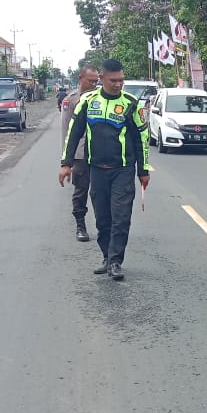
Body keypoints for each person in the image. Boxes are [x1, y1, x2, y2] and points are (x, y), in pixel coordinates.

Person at [61, 58, 150, 281]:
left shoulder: (131, 103)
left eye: (121, 80)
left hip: (123, 170)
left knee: (121, 217)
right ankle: (106, 257)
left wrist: (143, 170)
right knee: (102, 219)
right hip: (97, 170)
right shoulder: (88, 102)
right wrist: (66, 163)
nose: (119, 84)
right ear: (102, 79)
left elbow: (142, 138)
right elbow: (74, 132)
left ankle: (116, 261)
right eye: (114, 80)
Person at [58, 65, 101, 242]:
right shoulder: (70, 100)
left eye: (96, 81)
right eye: (90, 80)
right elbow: (66, 130)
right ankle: (80, 226)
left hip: (100, 153)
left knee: (100, 192)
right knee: (81, 191)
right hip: (80, 154)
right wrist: (66, 161)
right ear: (80, 79)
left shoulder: (101, 98)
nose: (94, 84)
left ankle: (103, 226)